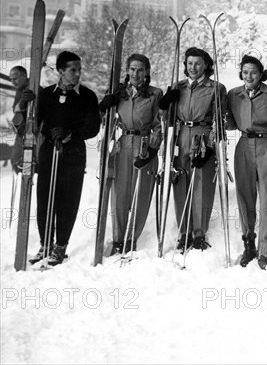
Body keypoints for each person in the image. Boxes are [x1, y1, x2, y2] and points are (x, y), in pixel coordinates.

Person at [26, 51, 101, 265]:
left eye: (79, 69)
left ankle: (60, 246)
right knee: (45, 199)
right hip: (49, 152)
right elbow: (33, 123)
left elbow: (93, 127)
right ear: (60, 71)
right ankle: (45, 244)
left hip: (73, 154)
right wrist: (28, 104)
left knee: (68, 200)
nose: (77, 73)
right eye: (72, 70)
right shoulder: (47, 94)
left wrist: (70, 134)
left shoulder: (87, 96)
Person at [159, 47, 227, 252]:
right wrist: (166, 103)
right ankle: (184, 232)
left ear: (206, 65)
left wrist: (210, 146)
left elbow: (220, 121)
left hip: (202, 136)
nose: (193, 68)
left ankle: (199, 233)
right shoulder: (178, 87)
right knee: (180, 183)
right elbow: (164, 117)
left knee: (201, 186)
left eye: (198, 63)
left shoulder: (216, 88)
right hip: (181, 136)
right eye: (189, 63)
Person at [225, 55, 267, 269]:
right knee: (244, 197)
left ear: (261, 74)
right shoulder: (234, 95)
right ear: (241, 74)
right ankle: (249, 244)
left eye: (253, 72)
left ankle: (266, 251)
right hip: (243, 147)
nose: (249, 76)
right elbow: (231, 122)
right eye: (245, 72)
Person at [99, 54, 162, 255]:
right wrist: (105, 105)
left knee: (141, 194)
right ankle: (118, 239)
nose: (136, 73)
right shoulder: (119, 93)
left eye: (140, 69)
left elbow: (159, 125)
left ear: (147, 72)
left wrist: (152, 150)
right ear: (127, 70)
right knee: (120, 194)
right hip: (123, 143)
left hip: (144, 144)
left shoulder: (154, 94)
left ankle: (131, 239)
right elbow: (104, 121)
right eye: (132, 69)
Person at [9, 66, 29, 173]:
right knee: (15, 162)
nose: (12, 82)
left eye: (15, 79)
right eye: (10, 79)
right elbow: (15, 108)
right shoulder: (19, 90)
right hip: (21, 131)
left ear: (24, 76)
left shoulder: (34, 88)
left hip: (32, 131)